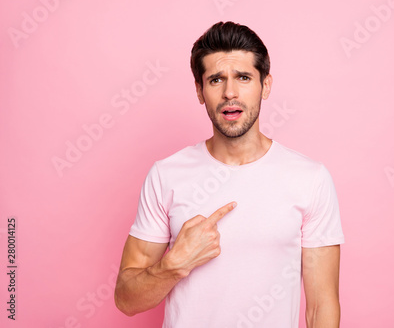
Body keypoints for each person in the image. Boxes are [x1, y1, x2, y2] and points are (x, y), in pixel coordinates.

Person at [114, 21, 345, 328]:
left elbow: (322, 308)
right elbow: (126, 300)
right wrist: (173, 265)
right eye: (215, 80)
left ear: (266, 84)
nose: (230, 92)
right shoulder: (166, 175)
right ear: (199, 90)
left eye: (244, 77)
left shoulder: (310, 179)